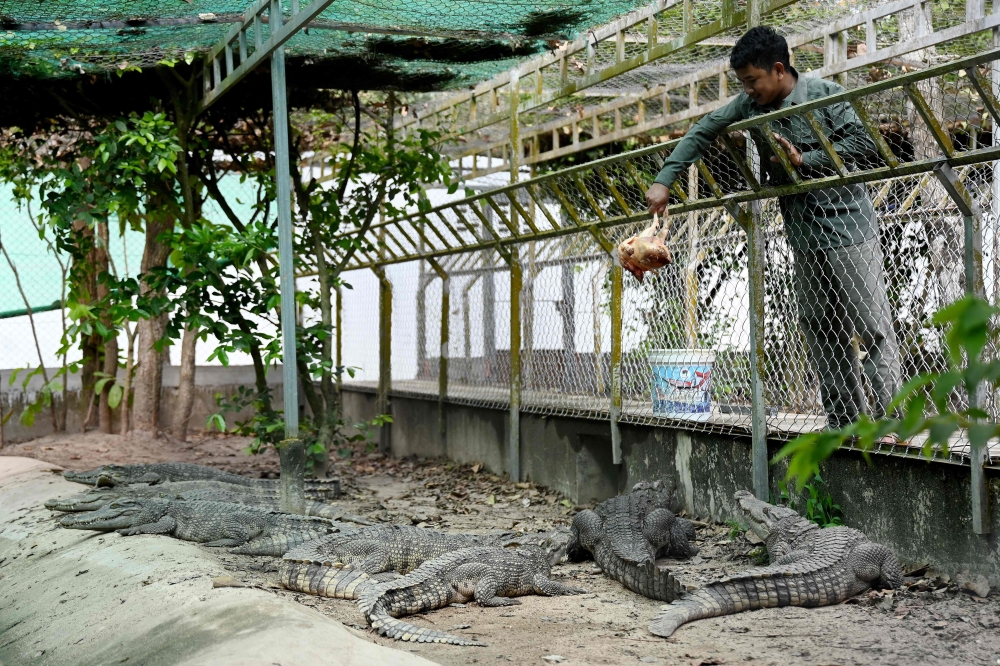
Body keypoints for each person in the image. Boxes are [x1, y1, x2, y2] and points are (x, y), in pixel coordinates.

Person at [620, 26, 901, 430]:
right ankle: (844, 422)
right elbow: (704, 128)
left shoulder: (826, 95)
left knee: (871, 325)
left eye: (752, 81)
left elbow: (864, 143)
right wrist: (665, 180)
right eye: (743, 83)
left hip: (849, 226)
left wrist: (806, 160)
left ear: (778, 69)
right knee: (820, 325)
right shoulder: (750, 105)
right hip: (804, 233)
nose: (748, 90)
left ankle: (895, 424)